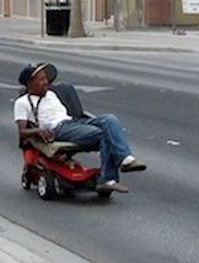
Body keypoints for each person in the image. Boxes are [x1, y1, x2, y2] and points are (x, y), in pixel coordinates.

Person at [14, 62, 146, 193]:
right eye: (41, 80)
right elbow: (22, 132)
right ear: (30, 83)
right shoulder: (23, 102)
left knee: (110, 120)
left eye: (46, 78)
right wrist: (39, 130)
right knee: (103, 134)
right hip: (59, 129)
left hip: (74, 122)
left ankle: (125, 159)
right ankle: (107, 179)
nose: (46, 82)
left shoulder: (51, 94)